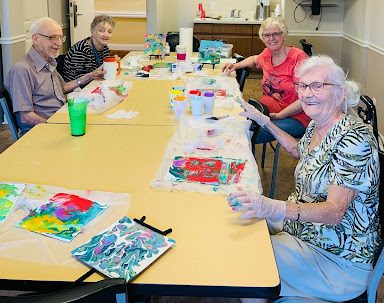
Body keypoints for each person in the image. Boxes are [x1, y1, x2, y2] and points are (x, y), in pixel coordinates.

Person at [227, 55, 380, 302]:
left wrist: (271, 206)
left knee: (248, 260)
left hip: (337, 257)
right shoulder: (319, 124)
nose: (307, 93)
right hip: (306, 230)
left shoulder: (355, 140)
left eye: (318, 86)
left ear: (340, 94)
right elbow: (299, 151)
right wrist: (263, 119)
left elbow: (334, 212)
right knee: (240, 222)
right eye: (302, 86)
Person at [4, 17, 104, 135]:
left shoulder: (48, 61)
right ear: (36, 39)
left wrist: (91, 75)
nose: (59, 43)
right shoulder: (22, 69)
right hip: (42, 131)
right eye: (52, 38)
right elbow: (25, 117)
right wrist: (56, 127)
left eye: (60, 37)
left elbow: (63, 88)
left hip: (61, 117)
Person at [222, 16, 310, 144]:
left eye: (276, 34)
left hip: (295, 118)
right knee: (234, 120)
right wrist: (235, 66)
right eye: (266, 35)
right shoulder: (267, 54)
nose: (271, 38)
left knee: (245, 133)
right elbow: (254, 59)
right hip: (268, 113)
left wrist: (280, 115)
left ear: (284, 34)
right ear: (262, 38)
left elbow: (306, 97)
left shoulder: (298, 58)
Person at [63, 15, 115, 82]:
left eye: (109, 32)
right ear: (92, 31)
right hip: (77, 89)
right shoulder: (81, 50)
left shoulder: (105, 48)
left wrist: (113, 62)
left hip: (95, 82)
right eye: (101, 30)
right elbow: (80, 80)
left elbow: (104, 72)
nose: (106, 35)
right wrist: (103, 66)